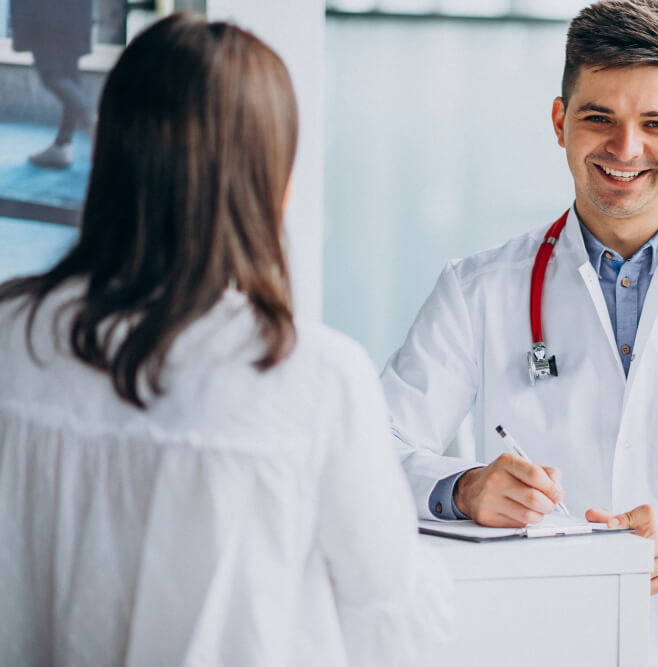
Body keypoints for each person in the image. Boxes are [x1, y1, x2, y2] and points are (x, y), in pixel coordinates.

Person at [381, 1, 658, 664]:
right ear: (560, 121)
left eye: (655, 123)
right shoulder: (479, 288)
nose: (625, 149)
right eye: (599, 117)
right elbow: (373, 450)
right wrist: (462, 487)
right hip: (539, 642)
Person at [0, 14, 451, 667]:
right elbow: (392, 619)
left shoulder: (13, 335)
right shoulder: (308, 375)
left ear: (110, 161)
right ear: (274, 181)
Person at [9, 0, 95, 169]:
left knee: (52, 75)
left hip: (47, 15)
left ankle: (92, 121)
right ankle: (63, 144)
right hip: (72, 15)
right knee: (69, 74)